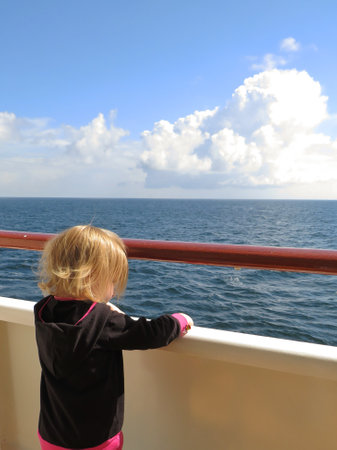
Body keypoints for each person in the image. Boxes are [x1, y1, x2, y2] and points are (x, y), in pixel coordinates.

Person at [34, 225, 193, 450]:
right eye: (112, 280)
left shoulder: (43, 310)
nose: (114, 287)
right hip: (95, 439)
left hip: (52, 433)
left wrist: (101, 310)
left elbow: (80, 321)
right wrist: (179, 321)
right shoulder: (103, 320)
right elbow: (147, 334)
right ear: (92, 277)